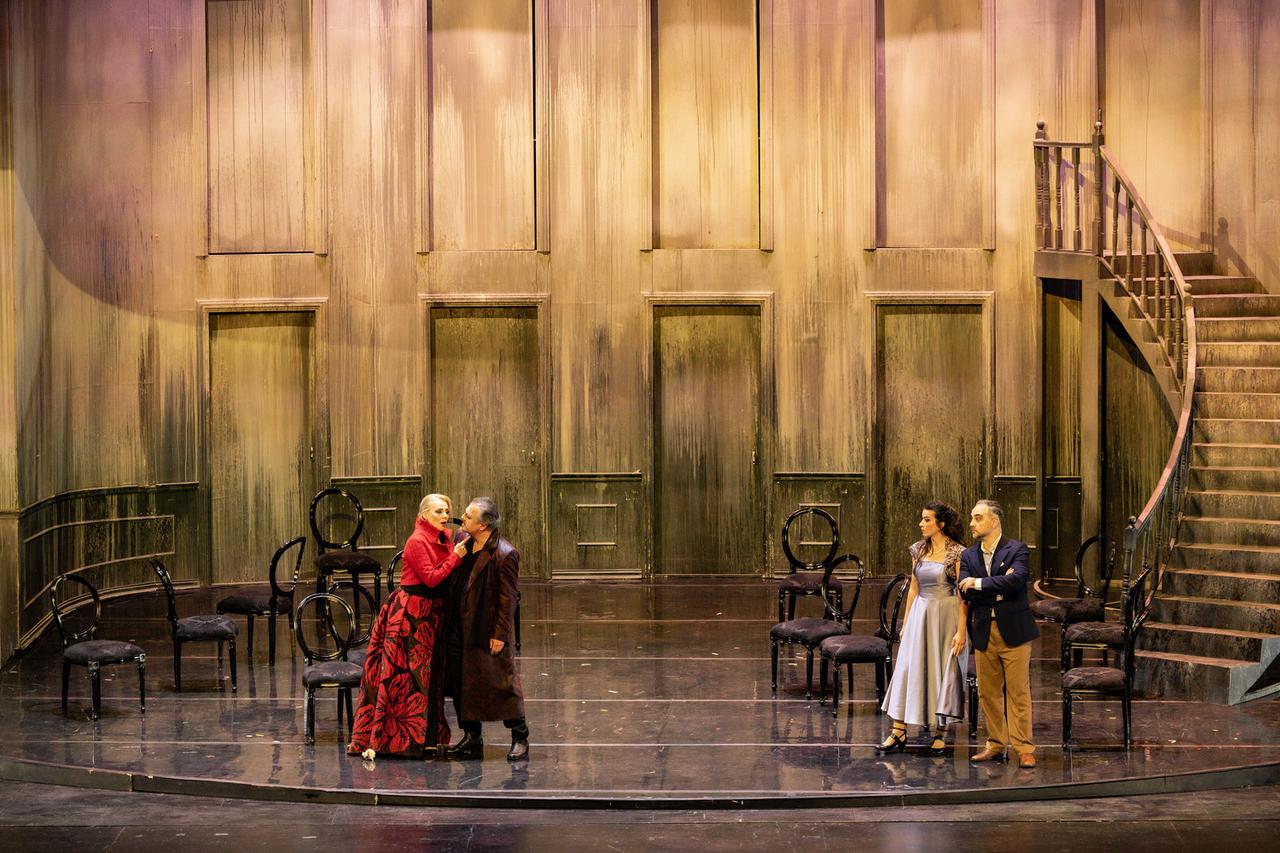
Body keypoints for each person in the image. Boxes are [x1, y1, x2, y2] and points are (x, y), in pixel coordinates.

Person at [346, 494, 466, 759]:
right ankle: (398, 741)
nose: (445, 516)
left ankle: (428, 738)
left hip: (432, 615)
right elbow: (432, 578)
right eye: (438, 511)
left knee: (429, 679)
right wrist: (456, 556)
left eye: (447, 511)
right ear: (424, 515)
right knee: (407, 678)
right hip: (412, 616)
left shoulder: (443, 538)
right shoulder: (417, 541)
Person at [877, 501, 970, 756]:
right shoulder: (918, 549)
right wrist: (906, 623)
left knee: (942, 670)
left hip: (946, 615)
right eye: (922, 519)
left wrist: (961, 631)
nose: (921, 524)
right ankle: (898, 730)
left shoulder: (957, 553)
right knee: (908, 668)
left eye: (926, 520)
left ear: (940, 524)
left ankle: (941, 732)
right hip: (921, 614)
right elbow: (914, 588)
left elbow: (964, 596)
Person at [443, 496, 529, 762]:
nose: (463, 518)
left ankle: (519, 735)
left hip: (485, 627)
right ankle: (472, 737)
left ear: (483, 526)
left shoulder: (505, 554)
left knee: (501, 683)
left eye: (469, 516)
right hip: (460, 625)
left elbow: (508, 599)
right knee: (461, 683)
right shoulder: (462, 542)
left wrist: (500, 635)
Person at [958, 499, 1039, 769]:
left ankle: (1024, 748)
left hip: (1013, 630)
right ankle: (995, 743)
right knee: (988, 693)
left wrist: (980, 583)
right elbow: (963, 589)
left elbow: (1017, 581)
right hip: (984, 629)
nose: (972, 522)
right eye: (972, 517)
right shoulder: (968, 555)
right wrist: (996, 586)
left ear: (994, 521)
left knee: (1018, 692)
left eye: (978, 517)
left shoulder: (1017, 549)